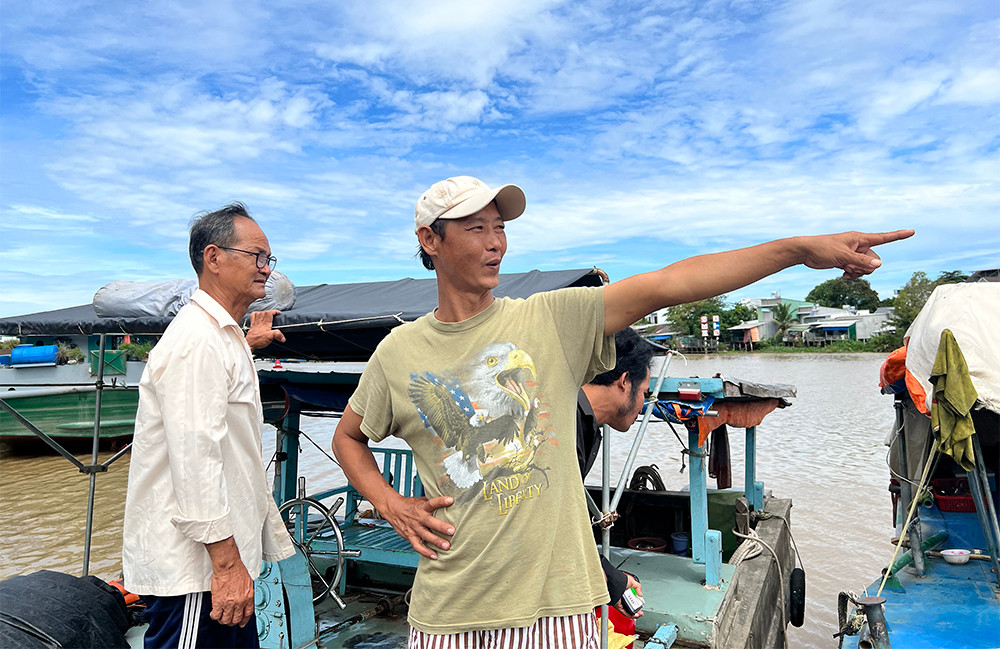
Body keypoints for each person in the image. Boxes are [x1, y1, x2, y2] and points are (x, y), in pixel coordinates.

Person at [332, 175, 913, 647]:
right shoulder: (399, 353)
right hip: (450, 613)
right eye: (476, 227)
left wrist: (797, 250)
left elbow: (669, 282)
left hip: (561, 610)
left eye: (501, 228)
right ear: (431, 241)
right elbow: (349, 439)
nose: (496, 243)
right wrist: (389, 502)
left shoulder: (547, 320)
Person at [123, 203, 294, 649]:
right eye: (257, 256)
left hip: (214, 567)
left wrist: (246, 342)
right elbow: (195, 462)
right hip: (197, 575)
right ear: (214, 258)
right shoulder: (198, 342)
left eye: (269, 260)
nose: (266, 270)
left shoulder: (219, 336)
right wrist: (225, 566)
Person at [577, 327, 655, 619]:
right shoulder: (566, 424)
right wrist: (614, 580)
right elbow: (555, 526)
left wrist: (611, 581)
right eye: (644, 392)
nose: (643, 404)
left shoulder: (584, 422)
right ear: (624, 382)